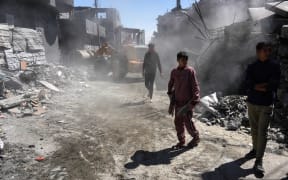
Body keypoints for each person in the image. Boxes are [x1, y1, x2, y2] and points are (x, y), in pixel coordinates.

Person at [244, 42, 281, 175]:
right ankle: (255, 150)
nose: (267, 52)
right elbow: (247, 83)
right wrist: (257, 86)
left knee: (262, 132)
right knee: (254, 130)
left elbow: (273, 85)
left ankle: (259, 160)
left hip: (266, 104)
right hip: (252, 102)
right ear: (258, 52)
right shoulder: (252, 66)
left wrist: (256, 86)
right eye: (265, 50)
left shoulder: (274, 66)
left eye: (269, 50)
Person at [168, 51, 200, 149]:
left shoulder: (190, 71)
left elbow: (195, 86)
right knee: (178, 123)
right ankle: (181, 141)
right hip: (178, 102)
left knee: (188, 122)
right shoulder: (174, 72)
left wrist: (195, 99)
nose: (185, 62)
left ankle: (195, 137)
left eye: (186, 60)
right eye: (182, 60)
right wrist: (171, 102)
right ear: (178, 60)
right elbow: (171, 85)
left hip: (187, 103)